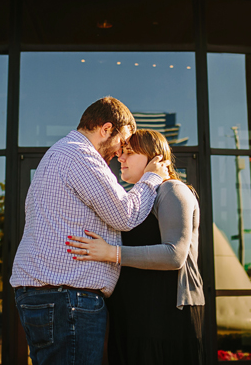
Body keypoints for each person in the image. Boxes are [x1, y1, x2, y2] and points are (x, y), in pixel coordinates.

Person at [10, 97, 169, 365]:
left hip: (50, 295)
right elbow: (125, 214)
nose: (120, 153)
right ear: (106, 129)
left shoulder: (59, 153)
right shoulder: (81, 156)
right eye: (123, 141)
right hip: (67, 299)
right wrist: (152, 177)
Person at [67, 130, 205, 365]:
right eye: (120, 153)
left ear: (156, 158)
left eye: (129, 152)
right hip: (133, 316)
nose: (120, 158)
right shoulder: (137, 199)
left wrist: (111, 253)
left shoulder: (172, 189)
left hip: (163, 316)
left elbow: (175, 255)